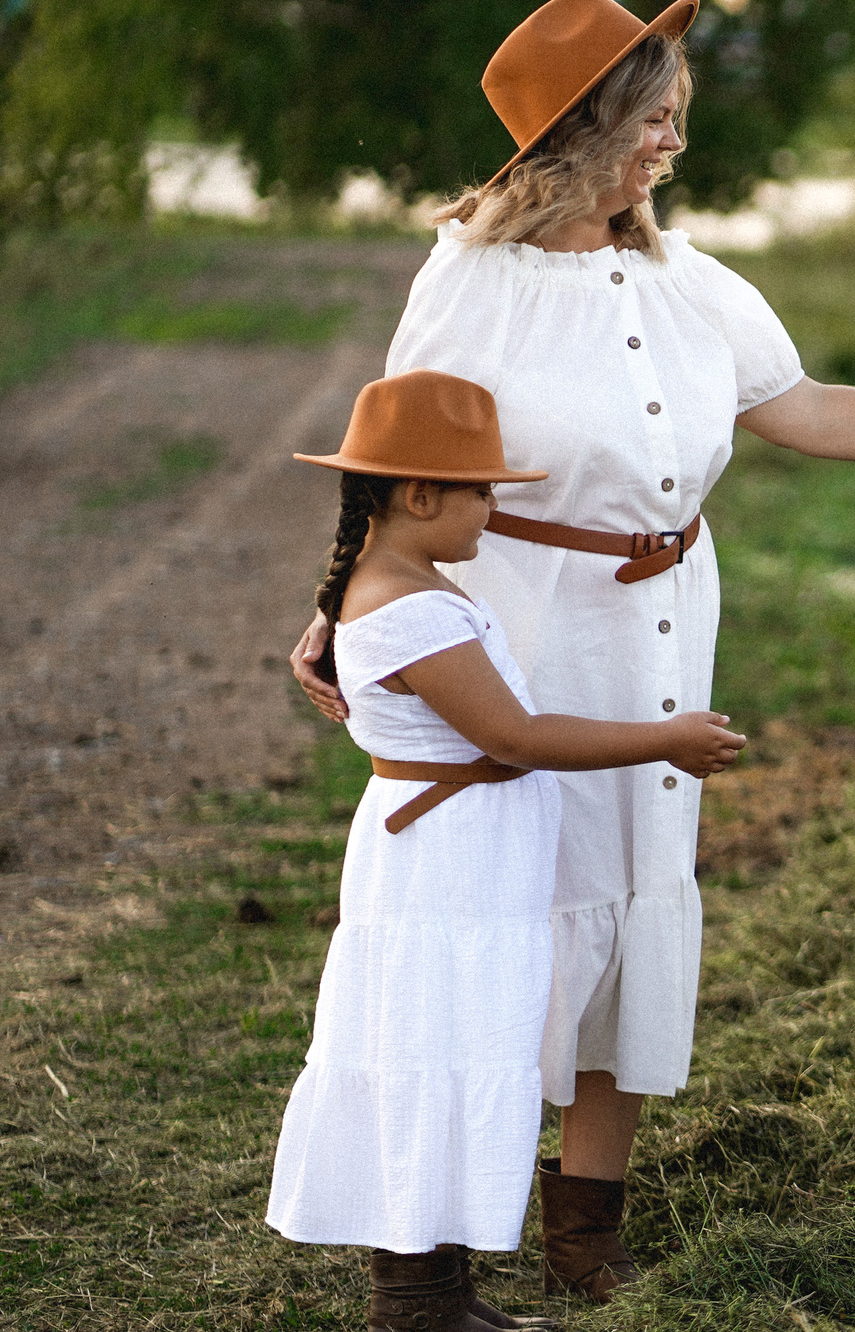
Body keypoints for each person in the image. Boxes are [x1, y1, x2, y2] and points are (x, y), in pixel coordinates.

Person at [290, 0, 855, 1301]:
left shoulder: (688, 277)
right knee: (522, 903)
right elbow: (397, 456)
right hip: (528, 620)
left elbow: (804, 405)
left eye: (674, 114)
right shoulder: (471, 279)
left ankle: (586, 1237)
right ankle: (446, 1235)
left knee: (640, 896)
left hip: (663, 619)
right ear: (583, 129)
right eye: (654, 116)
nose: (673, 139)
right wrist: (338, 602)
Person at [267, 368, 745, 1332]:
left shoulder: (406, 584)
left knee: (452, 1050)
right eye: (482, 490)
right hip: (446, 872)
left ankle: (437, 1292)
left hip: (459, 864)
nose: (494, 508)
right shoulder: (406, 607)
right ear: (419, 494)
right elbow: (513, 735)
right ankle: (413, 1299)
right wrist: (663, 737)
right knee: (433, 1055)